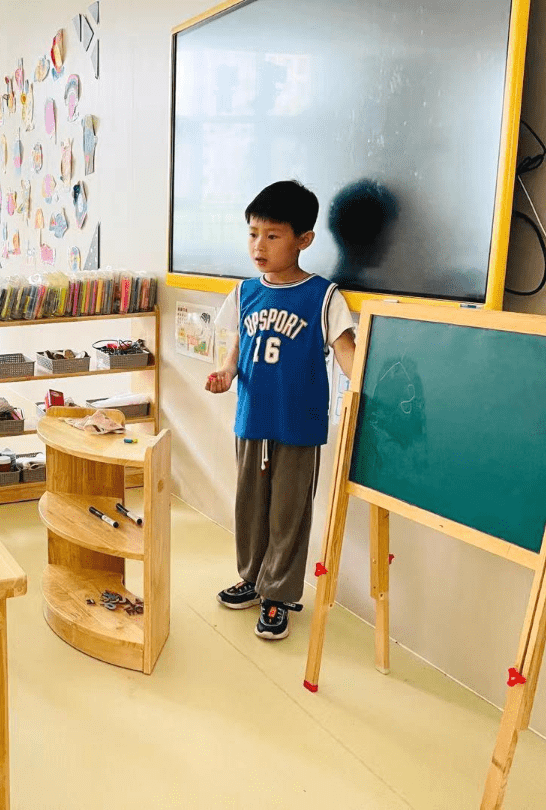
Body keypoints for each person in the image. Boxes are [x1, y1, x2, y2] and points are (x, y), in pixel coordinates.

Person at [206, 180, 357, 640]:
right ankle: (251, 579)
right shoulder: (246, 292)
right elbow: (236, 345)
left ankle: (279, 595)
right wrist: (226, 373)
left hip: (299, 425)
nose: (259, 245)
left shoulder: (323, 296)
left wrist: (372, 394)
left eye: (272, 235)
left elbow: (348, 353)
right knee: (250, 506)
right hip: (252, 418)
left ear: (304, 239)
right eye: (253, 233)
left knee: (289, 512)